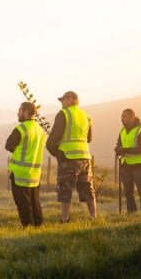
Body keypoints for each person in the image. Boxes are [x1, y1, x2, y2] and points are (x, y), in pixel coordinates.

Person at [46, 91, 95, 223]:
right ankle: (93, 216)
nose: (61, 103)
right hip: (85, 157)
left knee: (65, 189)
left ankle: (65, 218)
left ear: (70, 100)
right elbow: (89, 138)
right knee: (88, 187)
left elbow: (54, 138)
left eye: (63, 100)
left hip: (68, 158)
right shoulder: (86, 116)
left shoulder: (64, 114)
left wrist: (56, 152)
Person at [5, 102, 45, 227]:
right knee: (34, 200)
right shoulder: (40, 130)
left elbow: (8, 145)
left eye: (20, 110)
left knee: (22, 201)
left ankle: (27, 225)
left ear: (26, 112)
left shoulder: (21, 128)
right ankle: (38, 225)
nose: (18, 113)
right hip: (35, 172)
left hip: (20, 172)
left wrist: (18, 151)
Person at [115, 109, 141, 213]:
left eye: (124, 117)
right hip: (125, 164)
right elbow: (118, 144)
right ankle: (131, 212)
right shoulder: (122, 131)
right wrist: (117, 150)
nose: (122, 119)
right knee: (128, 191)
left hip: (138, 164)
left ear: (132, 117)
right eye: (121, 117)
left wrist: (124, 150)